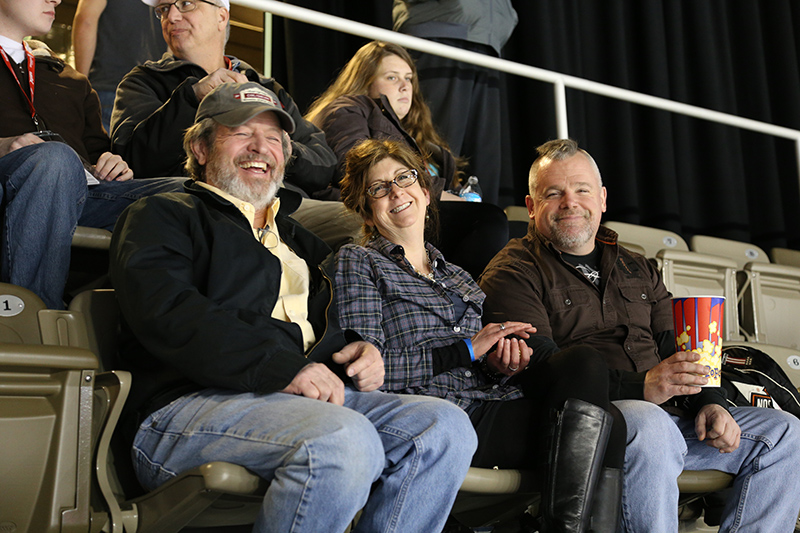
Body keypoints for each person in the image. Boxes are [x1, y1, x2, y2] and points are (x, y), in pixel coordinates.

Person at [108, 81, 477, 532]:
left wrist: (362, 350)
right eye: (241, 133)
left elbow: (330, 331)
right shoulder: (163, 214)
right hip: (184, 406)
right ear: (201, 147)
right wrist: (284, 368)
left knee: (444, 428)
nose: (260, 148)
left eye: (274, 139)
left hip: (294, 405)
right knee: (343, 439)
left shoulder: (304, 241)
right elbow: (168, 311)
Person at [479, 138, 800, 532]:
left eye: (582, 190)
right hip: (603, 423)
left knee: (785, 433)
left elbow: (680, 345)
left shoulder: (636, 264)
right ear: (531, 207)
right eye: (553, 193)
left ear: (602, 199)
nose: (570, 202)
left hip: (676, 419)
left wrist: (712, 404)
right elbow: (541, 368)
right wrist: (642, 386)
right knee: (649, 422)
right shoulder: (513, 270)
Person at [334, 138, 628, 532]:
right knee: (602, 414)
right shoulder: (358, 261)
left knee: (601, 398)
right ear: (367, 211)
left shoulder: (456, 275)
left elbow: (478, 363)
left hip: (490, 401)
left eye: (403, 178)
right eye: (378, 187)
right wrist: (466, 350)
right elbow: (364, 372)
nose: (396, 192)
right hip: (436, 414)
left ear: (424, 190)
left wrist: (498, 363)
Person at [0, 0, 183, 310]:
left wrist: (113, 163)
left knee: (191, 194)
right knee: (54, 160)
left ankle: (146, 332)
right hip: (16, 181)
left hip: (82, 191)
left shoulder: (71, 80)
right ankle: (30, 318)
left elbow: (97, 151)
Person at [306, 40, 508, 278]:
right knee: (489, 221)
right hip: (390, 207)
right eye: (392, 78)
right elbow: (355, 166)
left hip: (423, 211)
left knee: (514, 232)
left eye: (408, 78)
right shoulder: (350, 107)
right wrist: (442, 195)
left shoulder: (421, 138)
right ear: (366, 81)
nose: (404, 87)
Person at [111, 0, 335, 198]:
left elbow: (323, 164)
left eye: (186, 4)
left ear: (221, 16)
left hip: (281, 206)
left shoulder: (266, 87)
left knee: (347, 221)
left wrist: (278, 149)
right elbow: (131, 162)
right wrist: (192, 97)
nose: (172, 17)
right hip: (197, 204)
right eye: (163, 9)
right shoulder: (145, 81)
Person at [392, 0, 517, 206]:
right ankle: (424, 232)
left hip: (487, 40)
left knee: (483, 163)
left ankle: (485, 231)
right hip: (439, 32)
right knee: (437, 149)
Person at [71, 0, 166, 132]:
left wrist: (81, 87)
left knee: (97, 150)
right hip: (151, 99)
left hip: (107, 90)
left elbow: (86, 21)